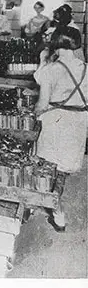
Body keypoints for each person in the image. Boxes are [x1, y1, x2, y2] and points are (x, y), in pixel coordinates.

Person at [34, 26, 87, 232]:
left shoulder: (52, 70)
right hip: (79, 122)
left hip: (57, 122)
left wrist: (33, 115)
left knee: (47, 167)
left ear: (56, 43)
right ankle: (58, 215)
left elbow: (42, 105)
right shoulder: (86, 67)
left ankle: (55, 210)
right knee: (62, 171)